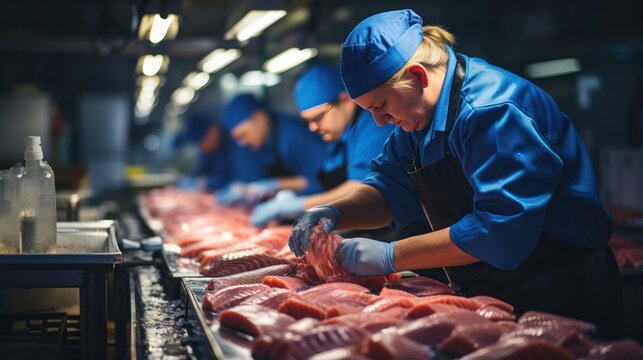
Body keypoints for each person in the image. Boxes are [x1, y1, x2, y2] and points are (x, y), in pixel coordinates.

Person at [288, 9, 622, 336]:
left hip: (559, 289)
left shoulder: (492, 111)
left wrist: (392, 255)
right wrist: (333, 213)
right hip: (491, 289)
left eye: (381, 105)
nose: (378, 121)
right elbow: (388, 188)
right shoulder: (416, 122)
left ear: (418, 77)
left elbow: (501, 233)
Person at [250, 65, 397, 226]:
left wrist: (296, 205)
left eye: (318, 118)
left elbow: (360, 189)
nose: (312, 128)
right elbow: (321, 180)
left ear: (346, 101)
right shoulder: (340, 137)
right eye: (307, 121)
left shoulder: (373, 126)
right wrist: (288, 195)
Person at [216, 93, 327, 206]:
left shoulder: (295, 134)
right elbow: (249, 177)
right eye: (237, 138)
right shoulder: (252, 145)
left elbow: (320, 179)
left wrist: (276, 185)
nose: (241, 143)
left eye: (243, 135)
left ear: (260, 118)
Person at [174, 110, 231, 191]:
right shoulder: (210, 152)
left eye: (201, 142)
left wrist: (206, 182)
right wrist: (192, 180)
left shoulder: (235, 142)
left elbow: (229, 177)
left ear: (211, 131)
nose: (201, 147)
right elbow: (201, 170)